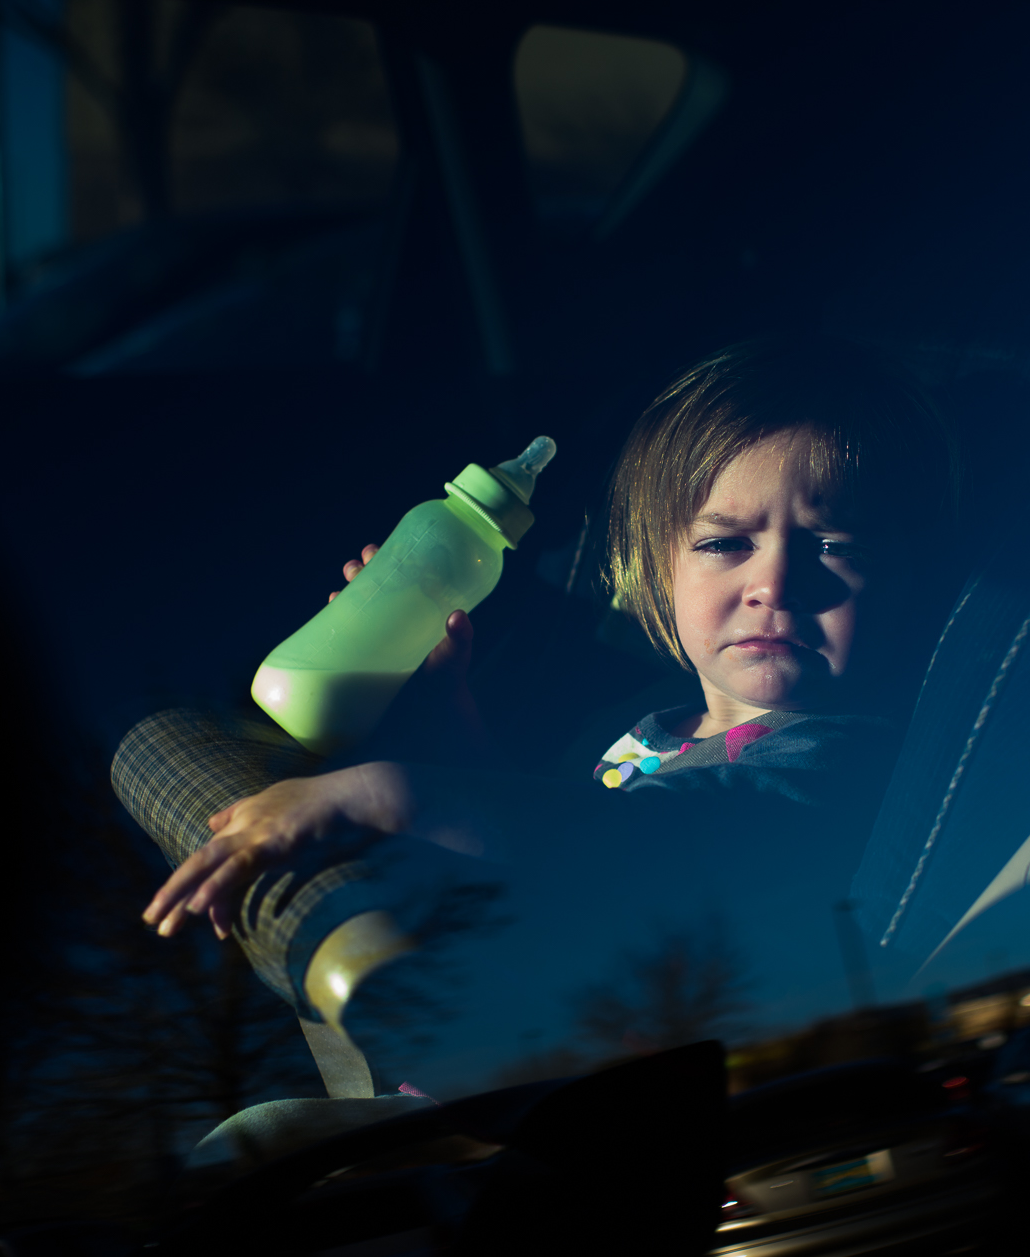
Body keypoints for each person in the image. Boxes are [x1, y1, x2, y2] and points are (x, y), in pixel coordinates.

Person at [112, 335, 962, 1147]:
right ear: (655, 568)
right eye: (724, 543)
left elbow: (621, 841)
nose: (774, 581)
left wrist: (372, 792)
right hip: (488, 1083)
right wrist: (443, 705)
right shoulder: (647, 732)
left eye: (832, 545)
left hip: (598, 1130)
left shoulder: (836, 768)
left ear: (910, 579)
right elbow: (534, 832)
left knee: (253, 1153)